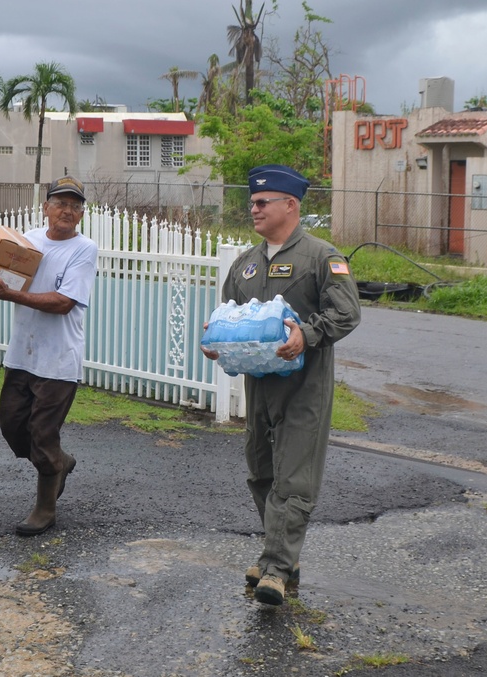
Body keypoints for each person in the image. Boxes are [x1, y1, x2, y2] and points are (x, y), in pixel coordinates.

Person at [202, 164, 361, 605]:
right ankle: (284, 555)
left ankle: (274, 567)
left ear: (290, 205)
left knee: (294, 478)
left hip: (304, 386)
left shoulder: (321, 256)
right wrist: (216, 337)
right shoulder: (246, 264)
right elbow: (229, 314)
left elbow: (347, 313)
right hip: (259, 386)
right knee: (261, 471)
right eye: (251, 202)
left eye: (261, 202)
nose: (252, 209)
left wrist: (306, 335)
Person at [0, 175, 98, 537]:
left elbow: (64, 303)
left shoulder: (84, 250)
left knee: (42, 434)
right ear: (46, 208)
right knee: (11, 425)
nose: (67, 210)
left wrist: (8, 295)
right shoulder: (27, 242)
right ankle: (60, 463)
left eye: (75, 205)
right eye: (60, 203)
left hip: (58, 361)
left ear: (81, 214)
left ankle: (45, 508)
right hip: (22, 353)